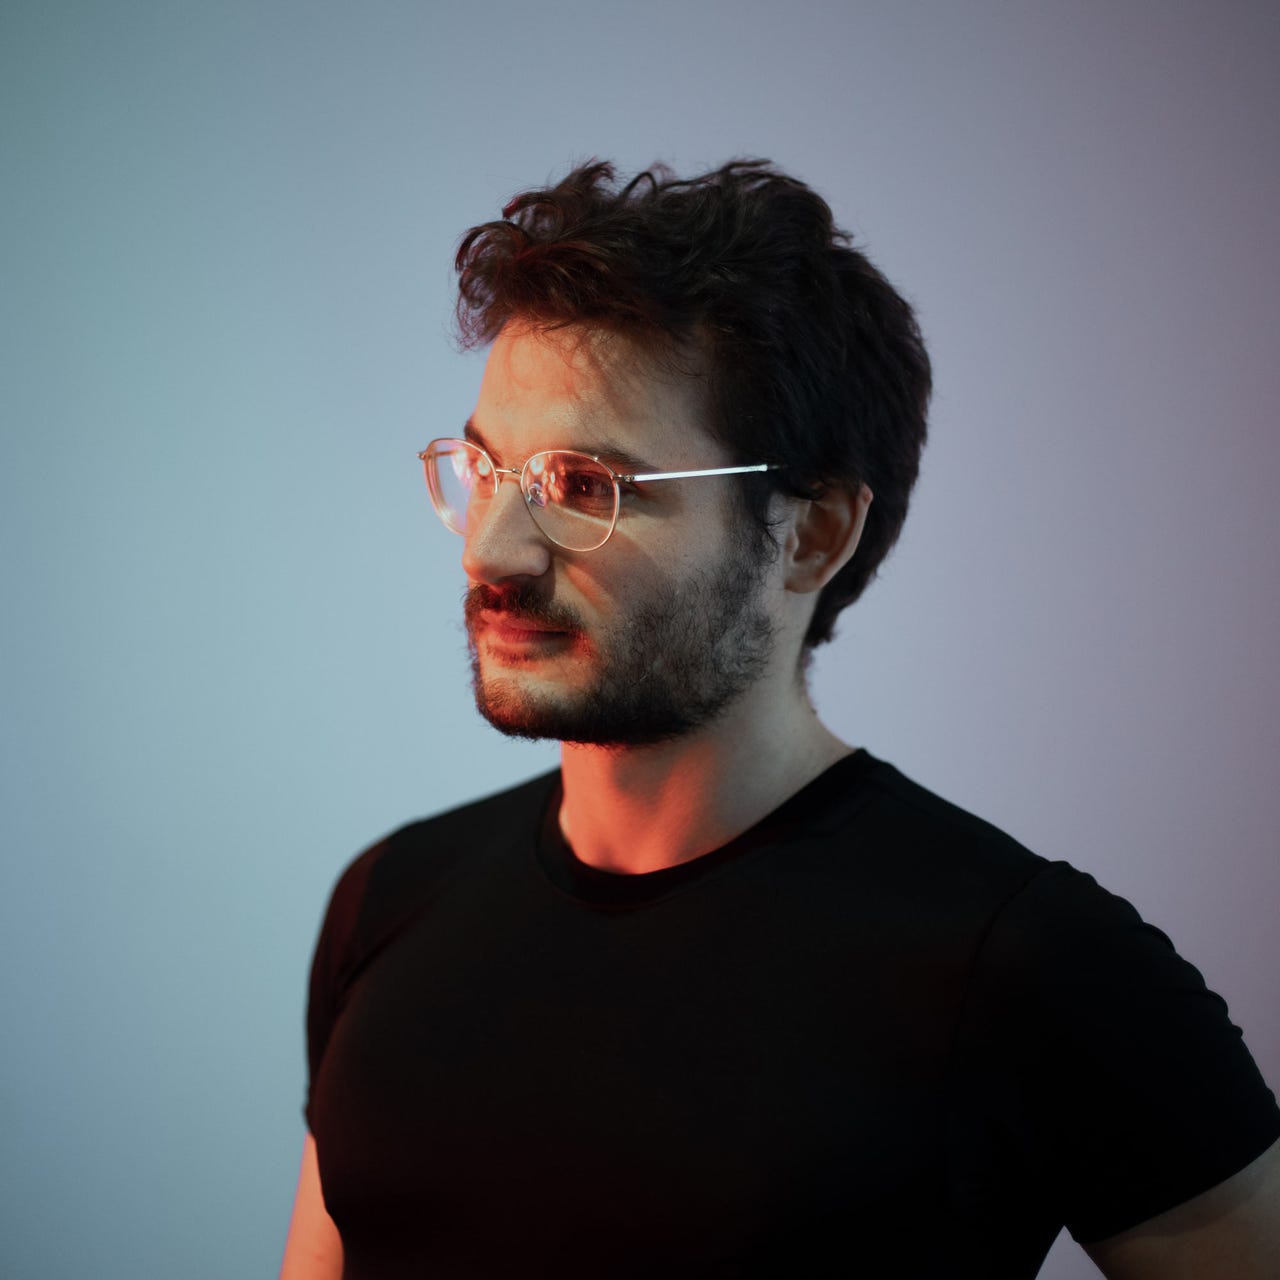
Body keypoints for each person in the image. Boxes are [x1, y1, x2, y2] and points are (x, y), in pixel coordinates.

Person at [281, 160, 1280, 1279]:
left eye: (584, 485)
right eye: (486, 469)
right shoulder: (389, 900)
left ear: (810, 536)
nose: (489, 551)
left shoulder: (1024, 965)